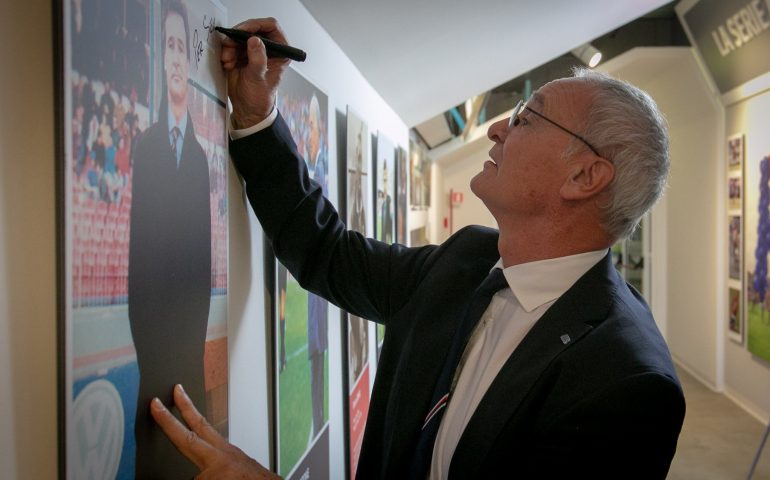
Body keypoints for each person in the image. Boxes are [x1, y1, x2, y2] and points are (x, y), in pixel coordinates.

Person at [151, 17, 685, 479]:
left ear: (585, 176)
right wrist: (255, 114)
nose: (498, 127)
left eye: (527, 117)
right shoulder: (468, 260)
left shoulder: (628, 381)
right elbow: (328, 253)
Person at [128, 0, 211, 477]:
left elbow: (202, 268)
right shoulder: (145, 148)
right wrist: (152, 354)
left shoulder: (200, 160)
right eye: (171, 47)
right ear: (162, 60)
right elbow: (139, 265)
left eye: (183, 46)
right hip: (154, 355)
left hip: (189, 355)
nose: (177, 56)